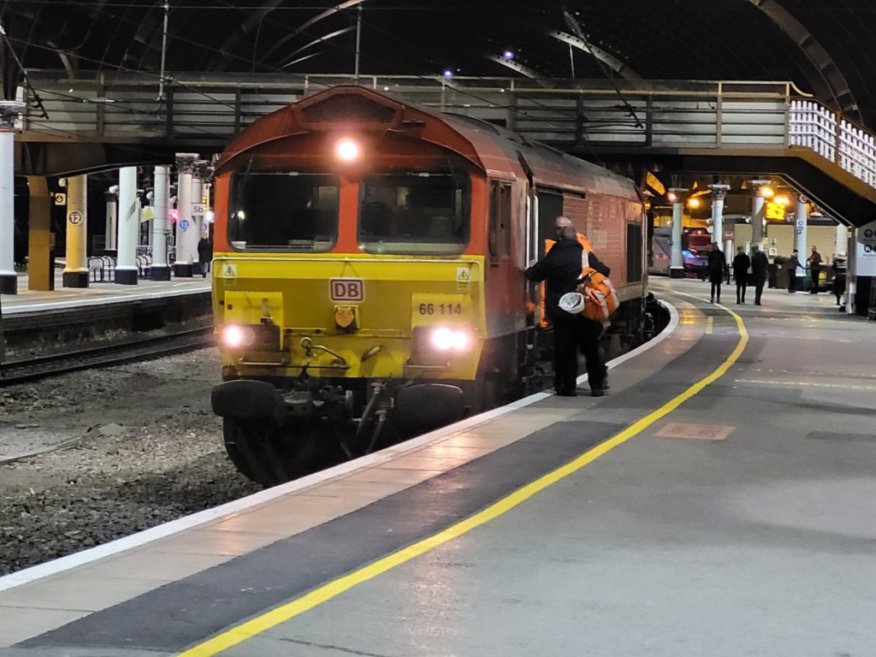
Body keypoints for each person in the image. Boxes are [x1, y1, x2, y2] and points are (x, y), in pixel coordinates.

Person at [525, 216, 609, 398]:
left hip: (563, 313)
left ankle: (567, 387)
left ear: (560, 237)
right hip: (586, 310)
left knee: (565, 352)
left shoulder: (555, 255)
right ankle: (597, 386)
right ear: (576, 238)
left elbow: (535, 274)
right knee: (591, 350)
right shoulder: (585, 255)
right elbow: (605, 271)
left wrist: (529, 269)